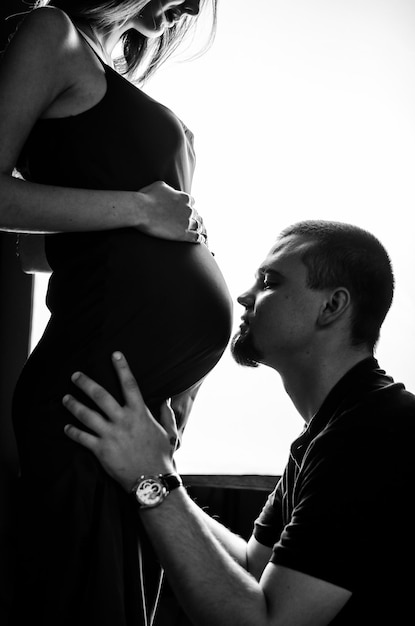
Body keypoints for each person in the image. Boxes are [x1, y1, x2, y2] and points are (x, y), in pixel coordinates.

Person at [0, 1, 232, 624]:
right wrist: (136, 209)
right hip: (89, 387)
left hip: (138, 399)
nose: (184, 6)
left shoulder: (116, 81)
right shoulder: (53, 33)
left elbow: (36, 249)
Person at [63, 219, 415, 625]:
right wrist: (159, 468)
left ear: (332, 306)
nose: (245, 297)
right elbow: (251, 567)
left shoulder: (374, 436)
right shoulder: (336, 429)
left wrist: (150, 477)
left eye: (270, 281)